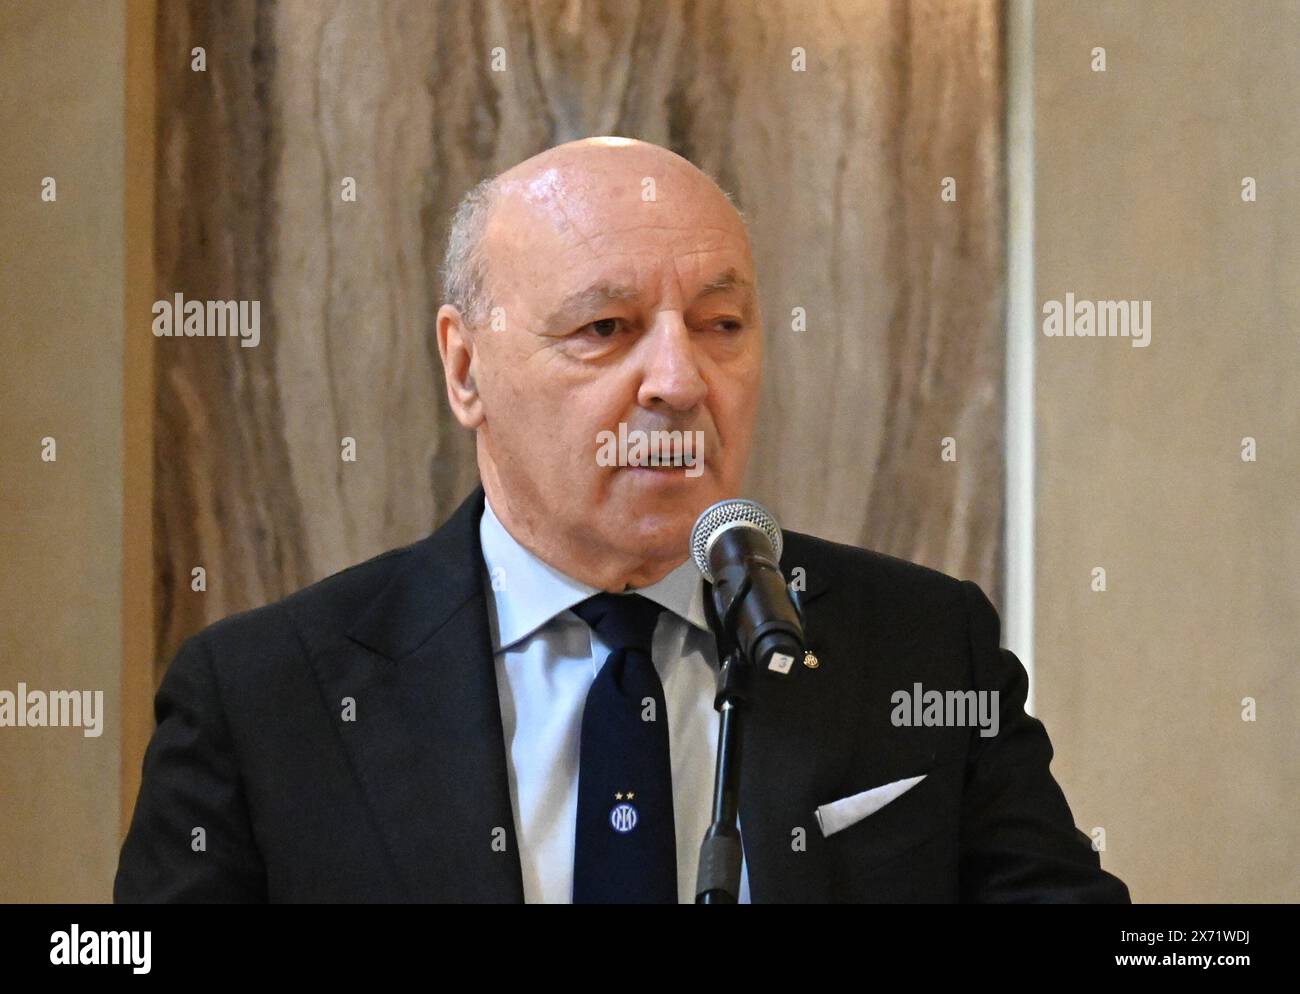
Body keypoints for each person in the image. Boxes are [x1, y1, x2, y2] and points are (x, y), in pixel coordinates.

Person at [115, 137, 1129, 903]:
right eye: (605, 328)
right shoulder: (264, 698)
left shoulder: (922, 646)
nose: (680, 381)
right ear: (466, 368)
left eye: (720, 325)